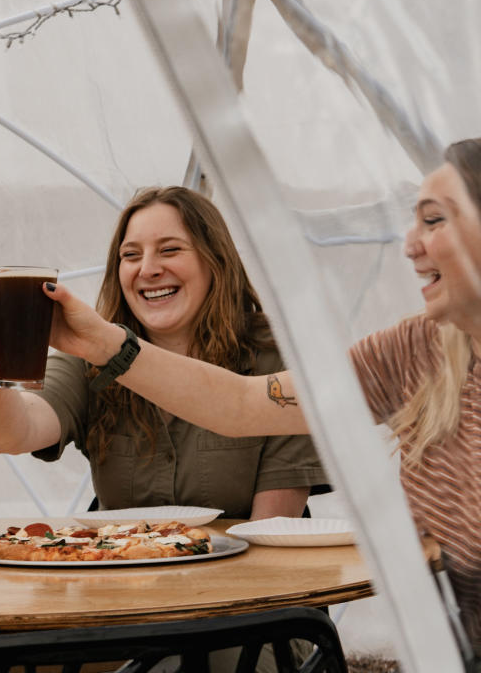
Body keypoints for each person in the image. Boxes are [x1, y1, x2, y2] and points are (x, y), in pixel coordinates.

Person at [41, 140, 481, 658]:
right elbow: (244, 404)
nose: (410, 244)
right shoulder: (417, 350)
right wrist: (103, 343)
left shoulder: (269, 343)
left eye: (434, 221)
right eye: (415, 222)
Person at [0, 187, 326, 519]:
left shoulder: (281, 355)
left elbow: (272, 529)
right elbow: (10, 435)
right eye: (131, 255)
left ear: (215, 261)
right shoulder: (89, 352)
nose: (148, 269)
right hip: (121, 577)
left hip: (244, 582)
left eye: (170, 250)